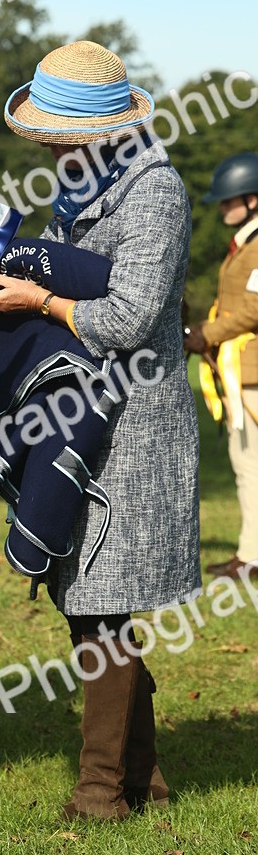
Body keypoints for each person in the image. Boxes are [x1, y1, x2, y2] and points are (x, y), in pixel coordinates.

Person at [0, 40, 200, 820]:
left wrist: (41, 304)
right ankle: (143, 777)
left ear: (102, 131)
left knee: (101, 601)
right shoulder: (90, 181)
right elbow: (59, 259)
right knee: (93, 600)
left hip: (135, 427)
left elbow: (127, 315)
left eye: (59, 135)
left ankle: (100, 794)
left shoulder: (154, 194)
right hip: (88, 418)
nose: (51, 148)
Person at [185, 153, 258, 579]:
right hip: (241, 370)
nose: (221, 206)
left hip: (251, 370)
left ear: (251, 199)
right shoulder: (245, 243)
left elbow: (253, 310)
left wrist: (206, 335)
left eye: (228, 200)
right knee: (246, 462)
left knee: (249, 463)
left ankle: (251, 557)